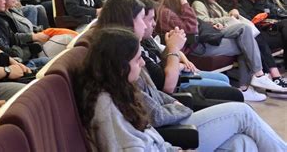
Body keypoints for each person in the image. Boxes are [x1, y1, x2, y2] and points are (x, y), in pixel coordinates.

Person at [74, 27, 287, 152]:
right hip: (169, 140)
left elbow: (149, 130)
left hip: (167, 144)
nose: (141, 64)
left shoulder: (119, 88)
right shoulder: (106, 105)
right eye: (137, 60)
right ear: (118, 64)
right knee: (243, 114)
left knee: (243, 142)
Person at [191, 0, 284, 95]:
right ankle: (259, 74)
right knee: (245, 31)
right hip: (215, 34)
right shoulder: (198, 3)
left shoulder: (213, 4)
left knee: (245, 45)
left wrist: (231, 13)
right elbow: (204, 21)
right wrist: (228, 18)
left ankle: (244, 88)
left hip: (223, 31)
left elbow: (226, 15)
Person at [217, 0, 287, 89]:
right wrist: (258, 1)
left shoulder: (236, 4)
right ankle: (272, 77)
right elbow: (251, 20)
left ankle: (270, 77)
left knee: (280, 29)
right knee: (257, 39)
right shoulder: (232, 6)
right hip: (240, 35)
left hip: (253, 32)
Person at [0, 0, 74, 58]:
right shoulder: (2, 18)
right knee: (68, 39)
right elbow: (14, 40)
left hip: (38, 40)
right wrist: (34, 37)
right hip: (32, 50)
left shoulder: (12, 10)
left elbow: (30, 27)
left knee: (72, 36)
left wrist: (41, 32)